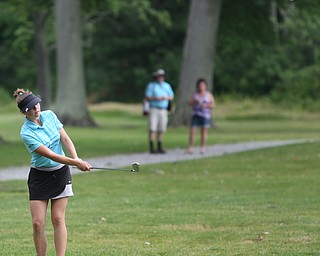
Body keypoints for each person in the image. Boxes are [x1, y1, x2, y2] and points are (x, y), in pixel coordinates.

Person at [13, 88, 92, 256]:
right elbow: (51, 155)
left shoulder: (49, 115)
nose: (36, 109)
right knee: (37, 223)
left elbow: (65, 138)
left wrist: (76, 158)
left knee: (57, 218)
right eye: (31, 108)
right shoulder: (26, 133)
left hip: (60, 174)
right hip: (40, 176)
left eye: (37, 104)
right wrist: (76, 163)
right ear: (23, 112)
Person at [145, 69, 174, 153]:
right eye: (159, 76)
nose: (160, 77)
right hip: (154, 108)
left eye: (162, 76)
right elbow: (147, 96)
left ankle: (159, 146)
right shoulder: (152, 85)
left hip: (163, 109)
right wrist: (156, 98)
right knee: (152, 127)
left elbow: (171, 96)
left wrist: (166, 98)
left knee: (162, 128)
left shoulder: (167, 86)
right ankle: (151, 147)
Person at [187, 78, 215, 154]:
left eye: (203, 85)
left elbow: (213, 105)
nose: (201, 87)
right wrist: (195, 101)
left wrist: (206, 105)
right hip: (196, 114)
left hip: (205, 115)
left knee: (204, 132)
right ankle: (190, 147)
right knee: (192, 131)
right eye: (200, 85)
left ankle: (202, 147)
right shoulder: (195, 95)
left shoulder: (208, 95)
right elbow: (189, 103)